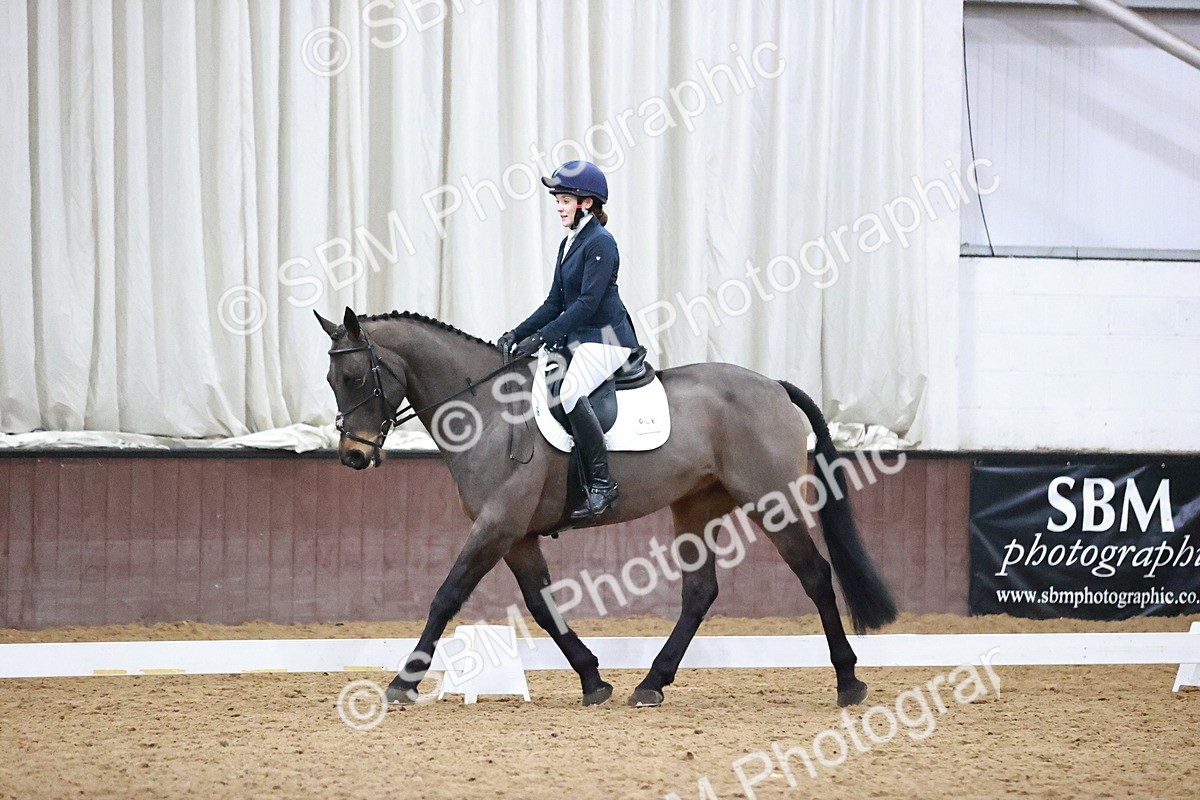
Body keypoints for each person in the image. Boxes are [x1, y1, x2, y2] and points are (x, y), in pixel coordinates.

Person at [497, 161, 640, 520]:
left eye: (564, 200)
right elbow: (555, 303)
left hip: (606, 339)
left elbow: (587, 304)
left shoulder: (601, 243)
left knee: (571, 392)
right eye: (558, 200)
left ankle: (603, 485)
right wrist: (520, 332)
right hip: (579, 340)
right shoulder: (568, 244)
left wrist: (544, 337)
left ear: (586, 203)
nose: (559, 207)